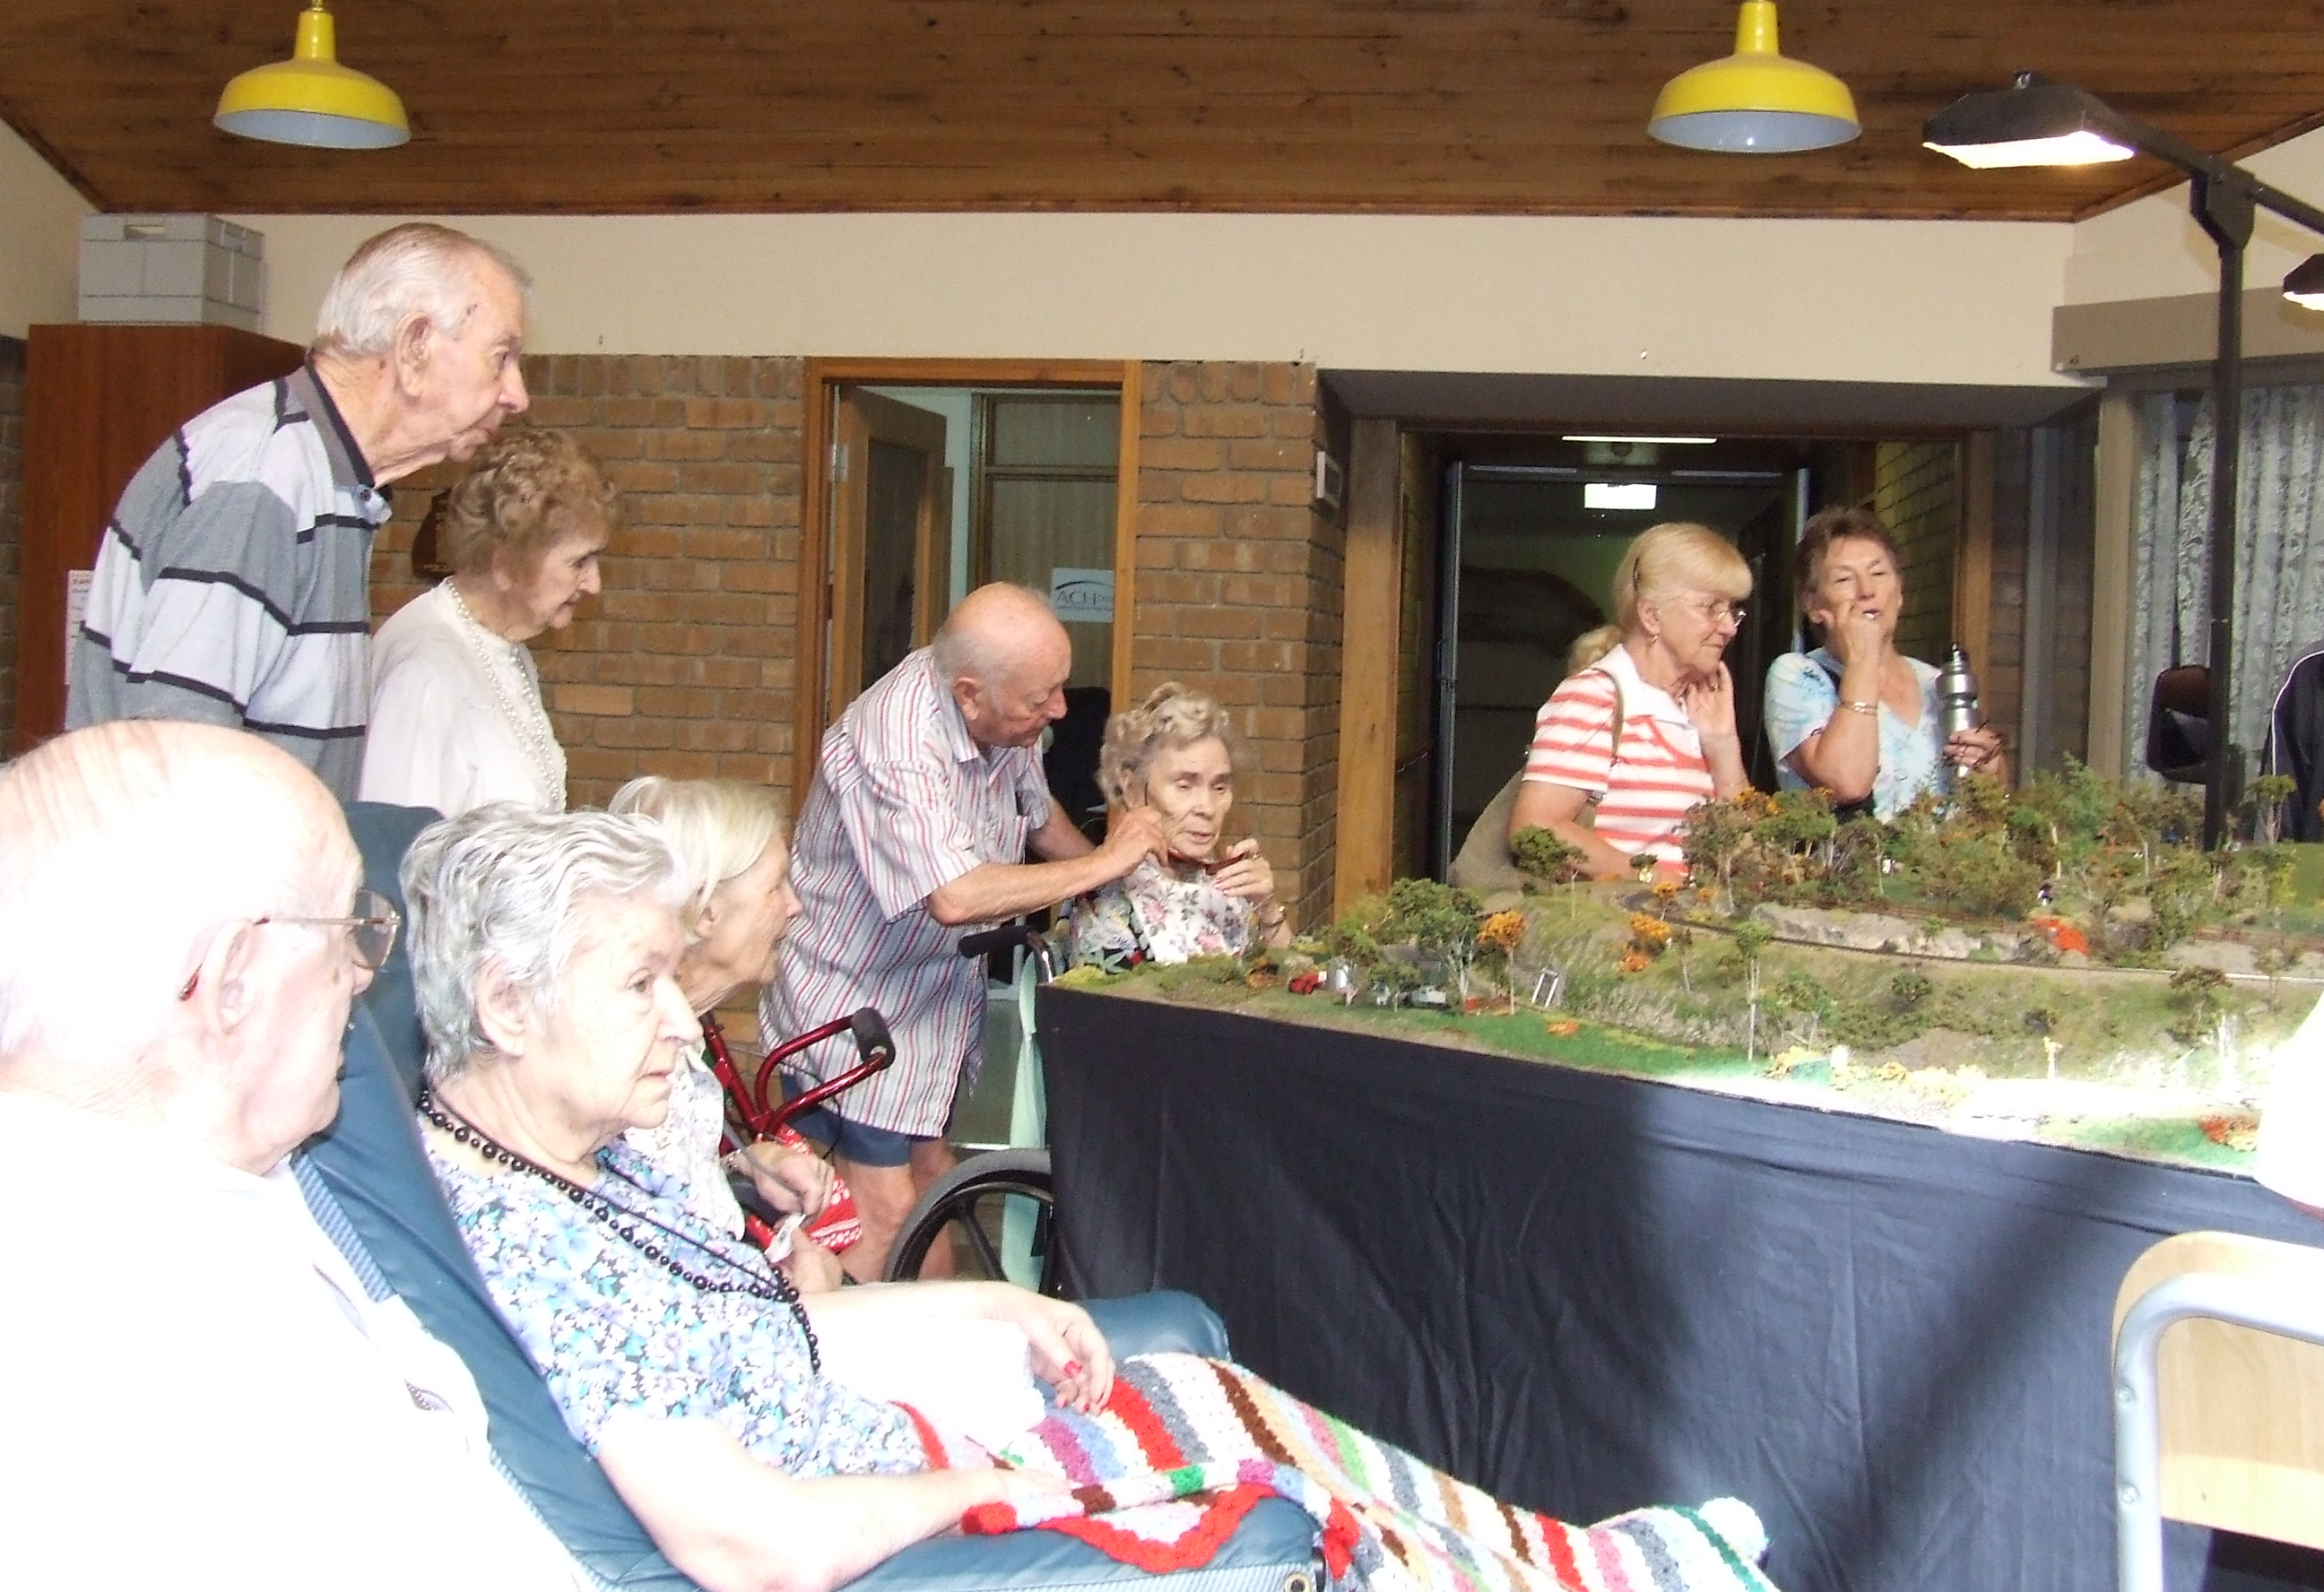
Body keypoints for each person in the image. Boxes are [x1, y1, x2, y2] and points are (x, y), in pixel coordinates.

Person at [403, 805, 1780, 1592]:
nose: (677, 1019)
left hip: (895, 1438)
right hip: (897, 1513)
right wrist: (976, 1480)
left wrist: (999, 1305)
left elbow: (786, 1331)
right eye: (637, 983)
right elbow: (751, 1544)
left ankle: (1552, 1559)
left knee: (1212, 1391)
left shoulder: (596, 1162)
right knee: (1265, 1474)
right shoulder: (534, 1242)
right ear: (507, 1005)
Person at [0, 720, 584, 1590]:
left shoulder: (211, 1174)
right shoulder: (145, 1351)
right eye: (349, 929)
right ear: (231, 982)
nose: (363, 975)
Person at [764, 583, 1166, 1279]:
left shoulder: (1003, 720)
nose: (1059, 710)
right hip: (855, 1003)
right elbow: (954, 896)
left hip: (928, 1002)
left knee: (933, 1182)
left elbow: (1037, 816)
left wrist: (1119, 882)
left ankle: (925, 1324)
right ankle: (862, 1340)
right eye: (1040, 698)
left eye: (1059, 687)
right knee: (888, 1217)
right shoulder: (897, 740)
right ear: (969, 694)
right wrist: (1106, 861)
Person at [69, 222, 533, 800]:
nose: (517, 394)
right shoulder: (261, 478)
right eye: (501, 357)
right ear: (415, 346)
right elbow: (175, 758)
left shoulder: (329, 480)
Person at [609, 774, 853, 1291]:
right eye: (776, 886)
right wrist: (807, 1303)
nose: (794, 905)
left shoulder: (679, 1040)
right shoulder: (626, 1071)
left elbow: (668, 1180)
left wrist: (749, 1161)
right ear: (707, 912)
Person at [360, 428, 616, 813]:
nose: (594, 584)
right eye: (578, 562)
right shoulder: (422, 673)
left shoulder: (500, 646)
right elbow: (394, 840)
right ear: (506, 563)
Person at [1510, 522, 1754, 877]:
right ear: (1651, 615)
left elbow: (1746, 850)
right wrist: (1650, 877)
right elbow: (1535, 828)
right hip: (1618, 912)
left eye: (1732, 610)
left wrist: (1723, 746)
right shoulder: (1594, 698)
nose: (1729, 627)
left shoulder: (1697, 707)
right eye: (1710, 608)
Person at [1764, 507, 2007, 819]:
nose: (1866, 591)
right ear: (1812, 603)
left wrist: (1991, 768)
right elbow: (1848, 783)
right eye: (1844, 579)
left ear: (1900, 591)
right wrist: (1863, 658)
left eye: (1879, 574)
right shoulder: (1798, 676)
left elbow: (1991, 807)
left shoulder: (1938, 683)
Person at [1070, 682, 1294, 967]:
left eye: (1220, 787)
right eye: (1184, 786)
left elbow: (1296, 982)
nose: (1207, 808)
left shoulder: (1225, 882)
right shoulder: (1105, 903)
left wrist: (1267, 908)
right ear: (1132, 789)